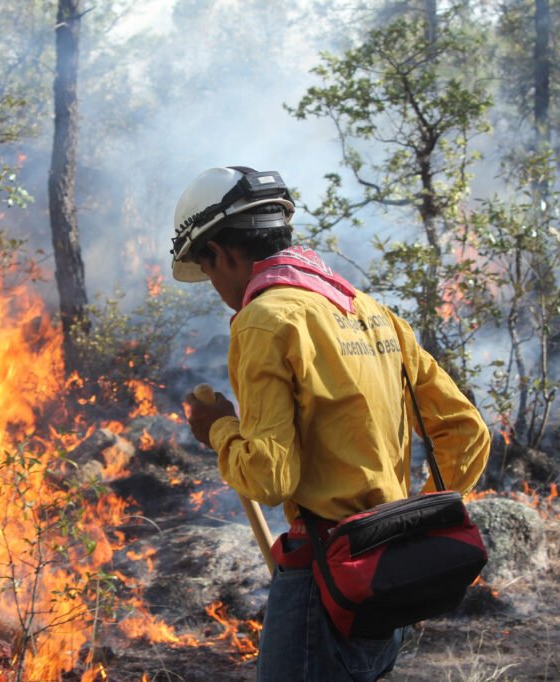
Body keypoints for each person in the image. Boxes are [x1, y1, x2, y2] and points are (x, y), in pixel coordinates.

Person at [172, 166, 491, 681]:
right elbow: (466, 431)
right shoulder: (374, 313)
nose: (215, 286)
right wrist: (414, 522)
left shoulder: (264, 319)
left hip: (325, 578)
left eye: (207, 271)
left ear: (221, 253)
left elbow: (269, 477)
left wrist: (218, 428)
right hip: (388, 573)